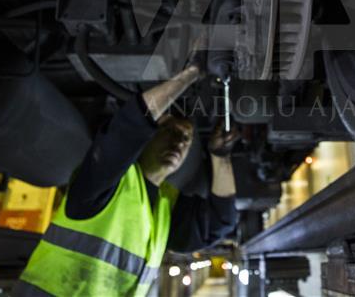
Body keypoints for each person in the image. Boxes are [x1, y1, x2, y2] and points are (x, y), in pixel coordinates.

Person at [15, 58, 239, 296]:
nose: (179, 142)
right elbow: (128, 127)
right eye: (170, 130)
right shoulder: (105, 180)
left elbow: (221, 221)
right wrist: (191, 73)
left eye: (186, 138)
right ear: (148, 135)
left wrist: (220, 156)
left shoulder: (165, 209)